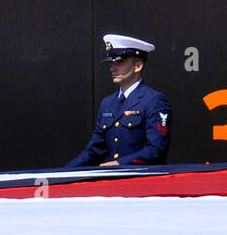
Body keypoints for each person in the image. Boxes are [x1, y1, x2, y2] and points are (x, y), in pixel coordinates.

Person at [65, 34, 171, 168]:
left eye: (119, 62)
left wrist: (120, 164)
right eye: (112, 62)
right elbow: (93, 151)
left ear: (137, 66)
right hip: (114, 182)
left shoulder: (154, 100)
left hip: (143, 181)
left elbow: (156, 150)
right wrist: (62, 173)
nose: (112, 68)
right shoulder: (107, 103)